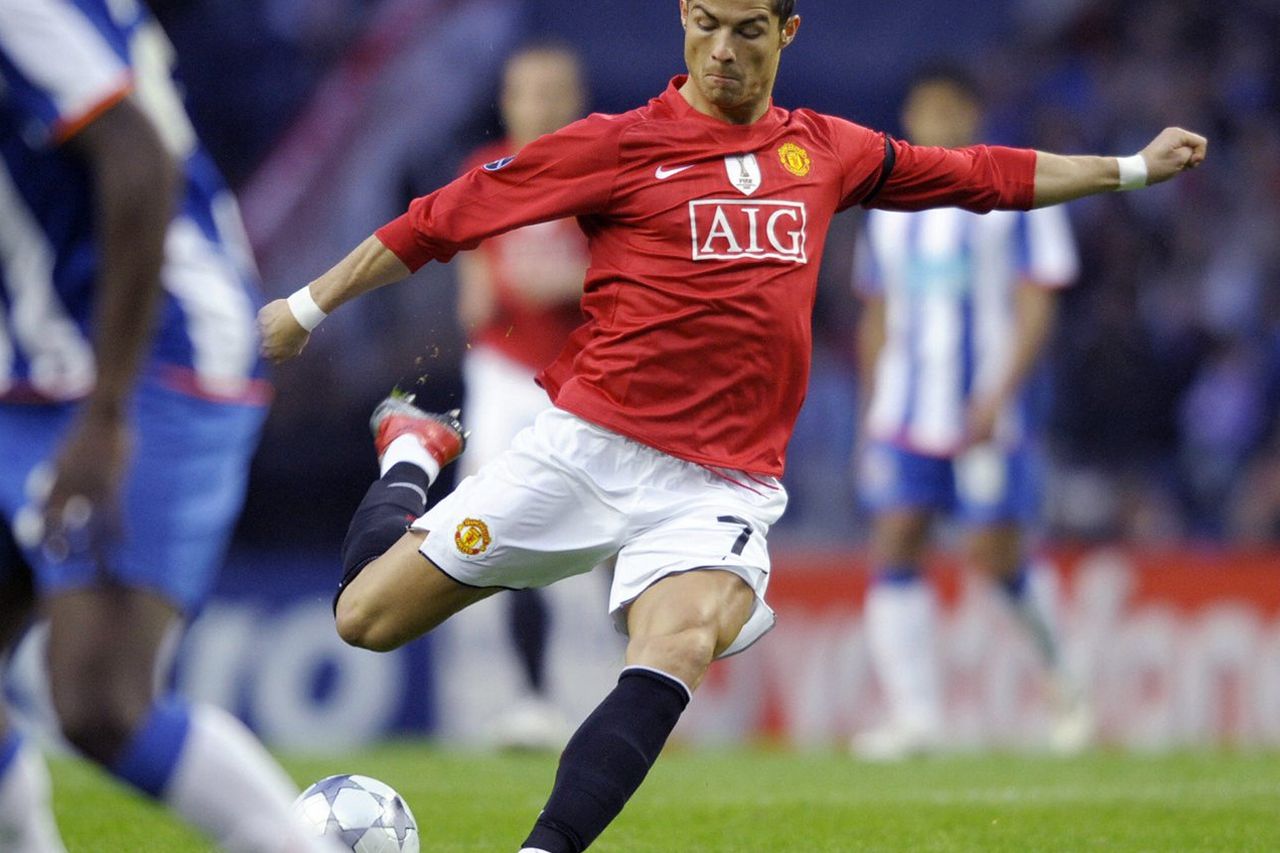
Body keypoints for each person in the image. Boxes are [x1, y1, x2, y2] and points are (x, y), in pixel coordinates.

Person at [258, 1, 1206, 849]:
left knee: (678, 640)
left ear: (787, 33)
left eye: (747, 29)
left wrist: (1129, 167)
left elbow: (977, 174)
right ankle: (413, 457)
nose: (722, 50)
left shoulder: (825, 151)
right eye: (705, 24)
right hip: (582, 448)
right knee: (363, 618)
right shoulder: (619, 144)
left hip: (717, 485)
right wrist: (304, 307)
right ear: (682, 21)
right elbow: (442, 219)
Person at [0, 2, 344, 851]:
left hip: (157, 348)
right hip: (33, 368)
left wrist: (106, 411)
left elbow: (137, 156)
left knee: (101, 698)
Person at [850, 66, 1090, 761]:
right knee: (896, 541)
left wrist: (1000, 393)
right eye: (927, 112)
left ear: (975, 115)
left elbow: (1037, 302)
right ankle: (916, 718)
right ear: (911, 118)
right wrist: (871, 411)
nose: (941, 125)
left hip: (988, 411)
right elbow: (877, 313)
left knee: (995, 552)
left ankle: (1064, 678)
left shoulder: (1017, 193)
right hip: (906, 413)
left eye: (954, 111)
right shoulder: (888, 204)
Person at [454, 42, 590, 750]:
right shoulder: (484, 174)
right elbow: (475, 288)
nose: (538, 105)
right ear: (507, 101)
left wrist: (568, 284)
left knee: (616, 530)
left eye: (552, 91)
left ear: (574, 97)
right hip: (505, 376)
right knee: (508, 530)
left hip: (583, 377)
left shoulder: (603, 171)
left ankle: (641, 680)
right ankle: (532, 696)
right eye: (525, 92)